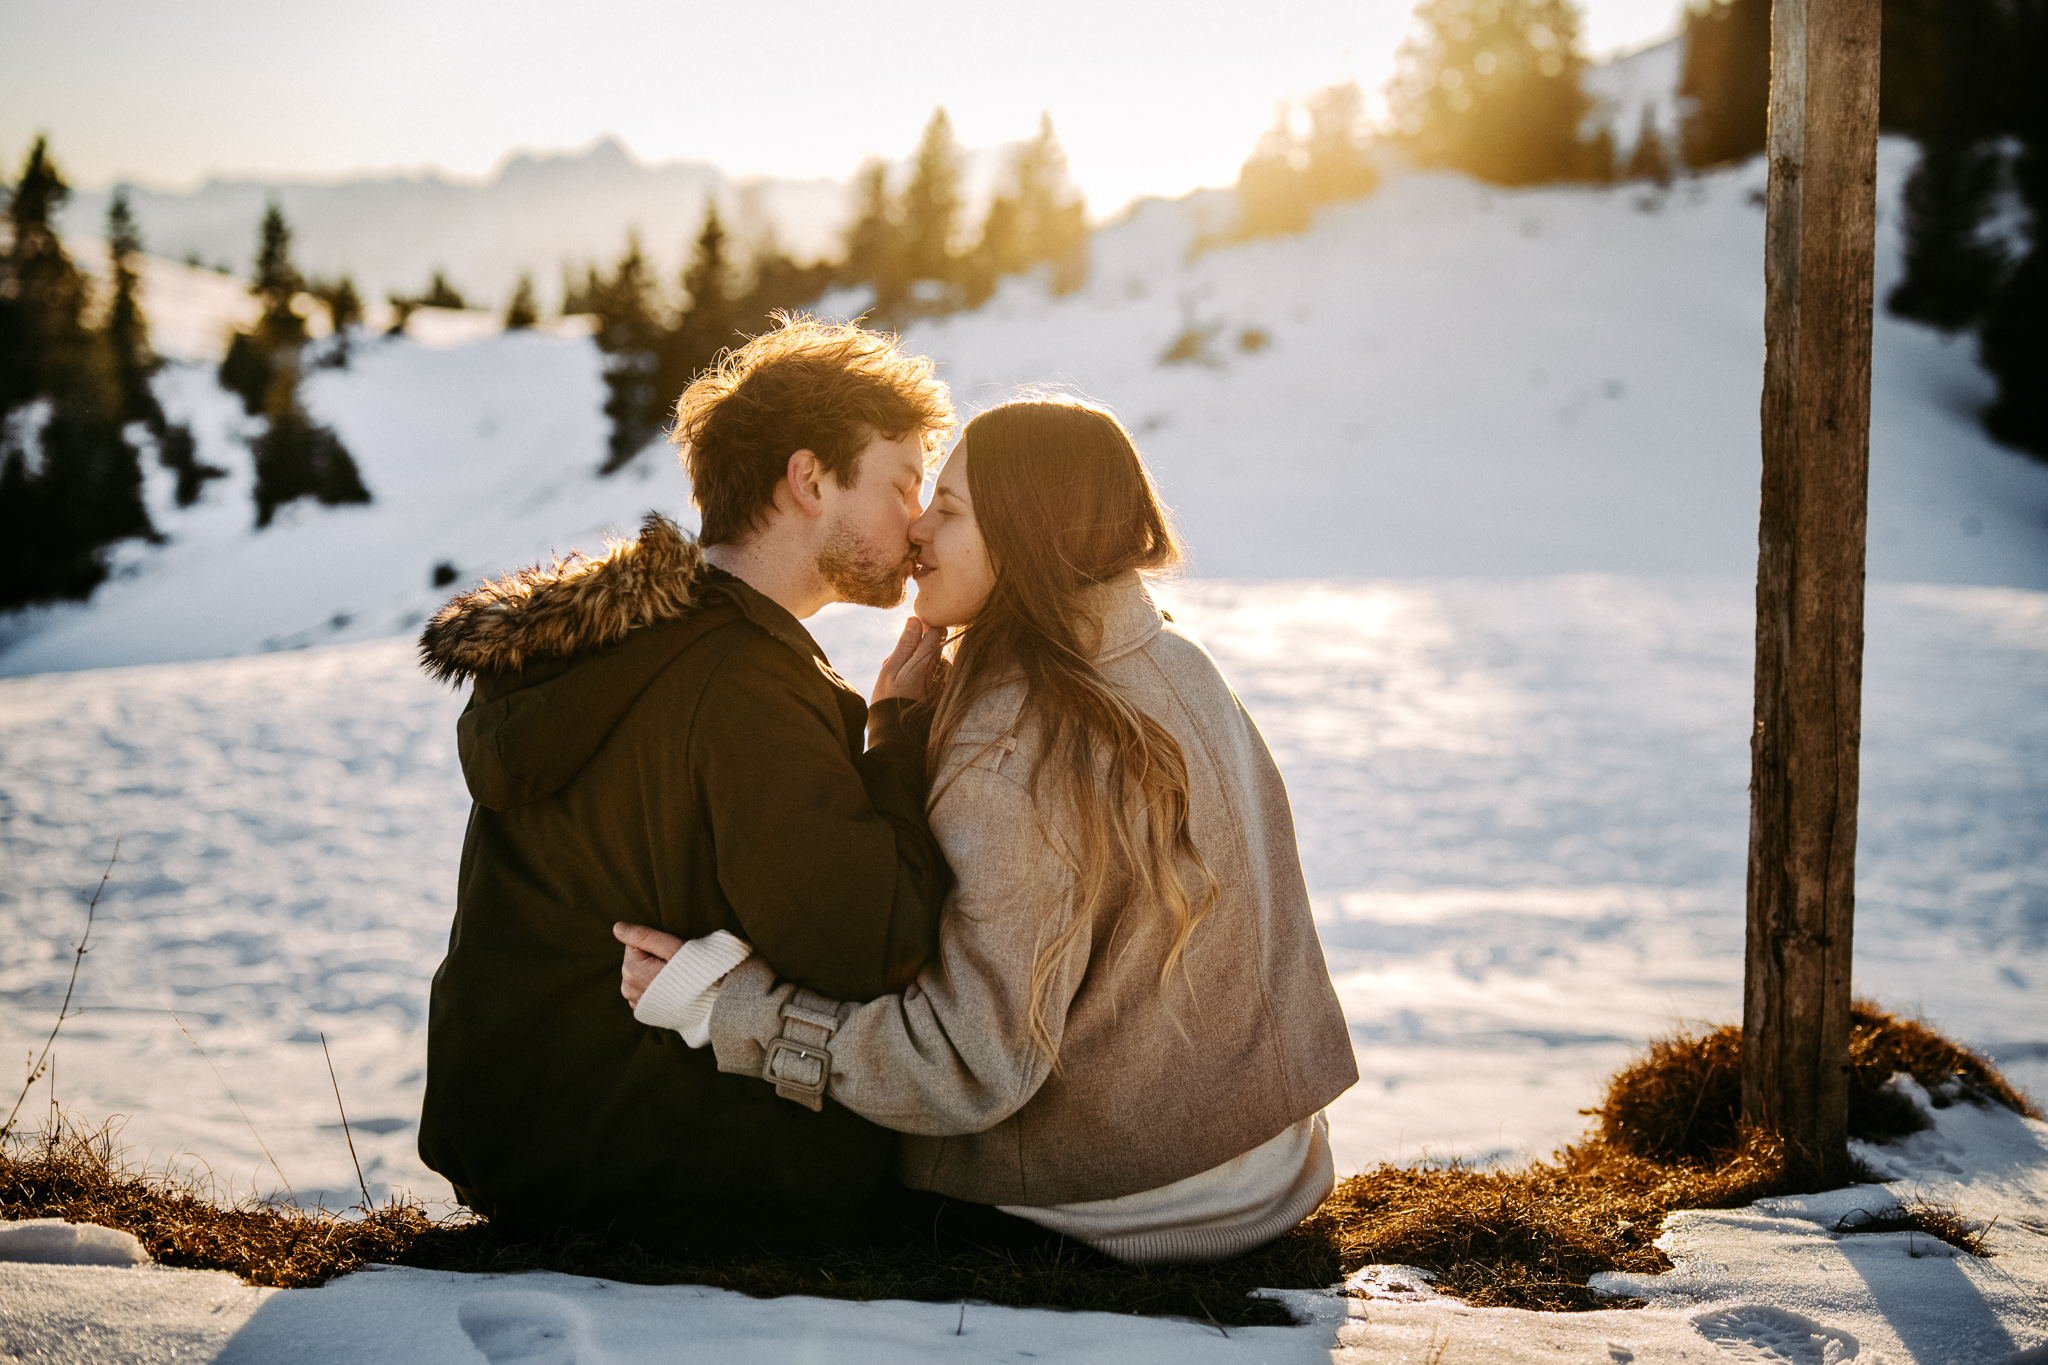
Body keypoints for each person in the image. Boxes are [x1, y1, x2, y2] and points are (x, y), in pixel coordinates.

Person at [616, 395, 1357, 1263]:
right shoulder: (1171, 661)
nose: (917, 529)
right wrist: (901, 726)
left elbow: (968, 1063)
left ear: (1026, 535)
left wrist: (730, 1009)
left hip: (1126, 1194)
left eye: (950, 510)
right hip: (1262, 1153)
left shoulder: (1017, 739)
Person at [414, 317, 958, 1250]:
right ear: (810, 479)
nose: (917, 525)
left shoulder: (615, 643)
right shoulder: (742, 683)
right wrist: (901, 732)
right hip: (656, 1157)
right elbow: (879, 945)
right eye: (904, 485)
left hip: (521, 1135)